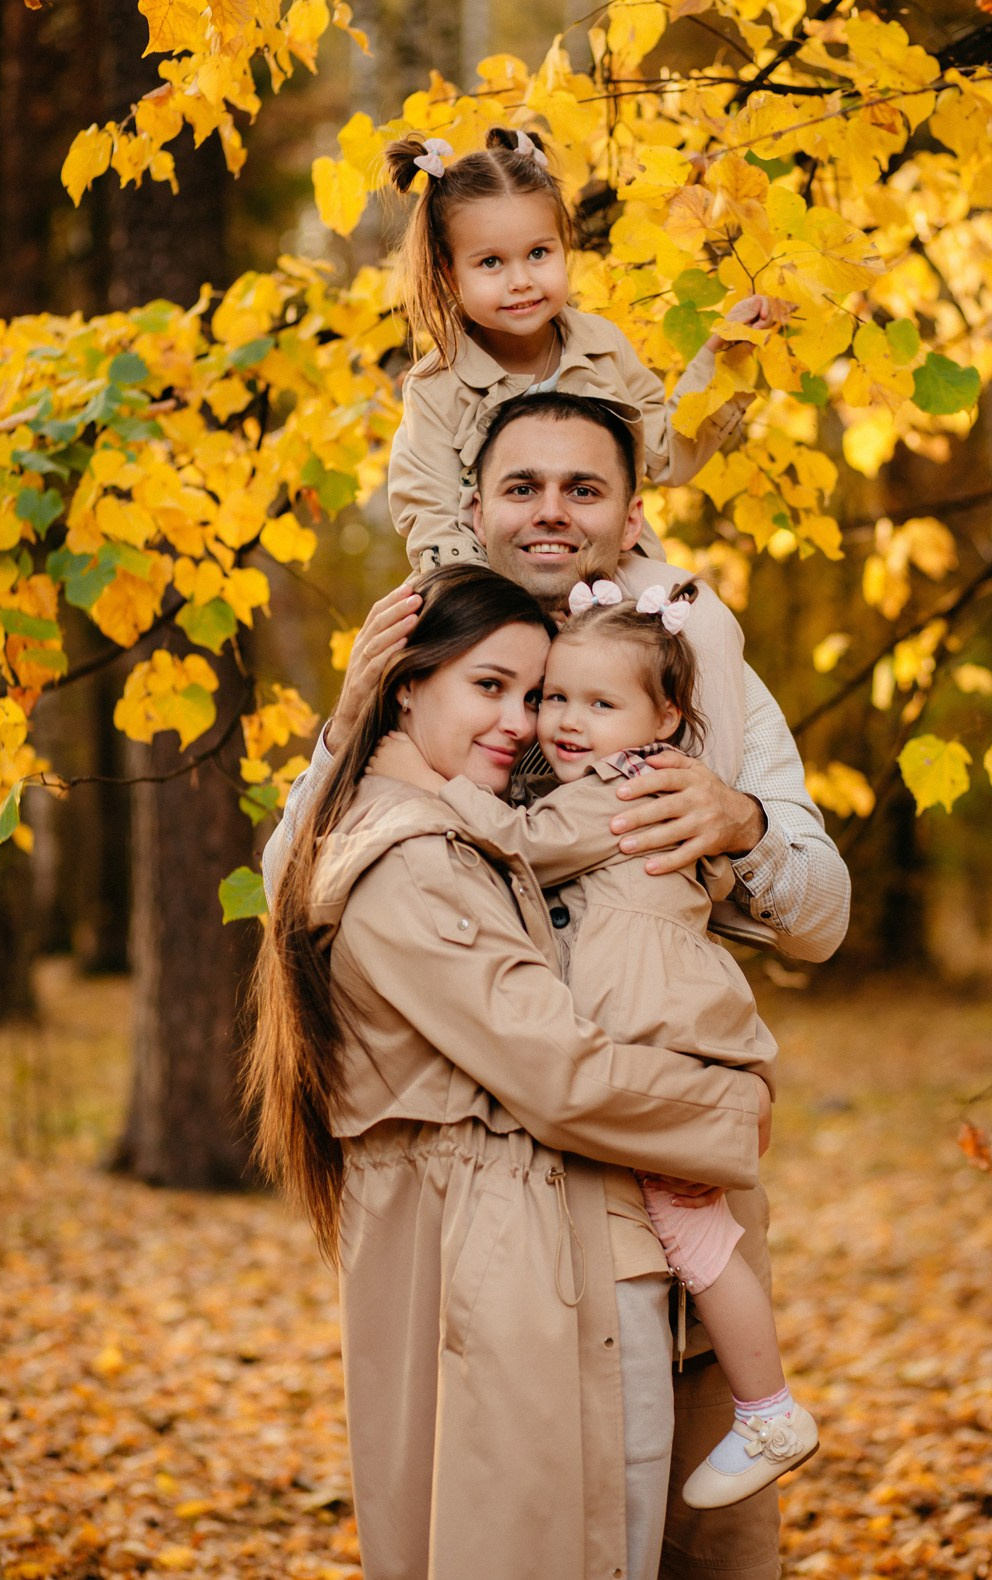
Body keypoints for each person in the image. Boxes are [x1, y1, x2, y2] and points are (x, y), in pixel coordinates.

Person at [262, 393, 851, 1580]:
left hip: (649, 1155)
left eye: (584, 488)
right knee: (516, 1510)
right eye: (521, 485)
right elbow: (305, 891)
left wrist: (737, 823)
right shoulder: (425, 659)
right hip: (501, 1187)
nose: (551, 512)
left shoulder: (680, 662)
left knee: (655, 1517)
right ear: (474, 506)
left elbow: (821, 915)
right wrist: (348, 719)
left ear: (632, 509)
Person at [369, 571, 819, 1515]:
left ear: (662, 722)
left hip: (667, 1034)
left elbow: (515, 844)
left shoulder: (622, 787)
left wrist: (418, 774)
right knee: (696, 1235)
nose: (561, 722)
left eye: (596, 703)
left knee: (696, 1240)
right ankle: (762, 1401)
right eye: (553, 699)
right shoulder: (628, 773)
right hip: (669, 1029)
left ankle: (768, 1408)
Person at [384, 126, 774, 574]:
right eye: (491, 262)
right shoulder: (436, 388)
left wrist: (725, 360)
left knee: (706, 622)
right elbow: (433, 520)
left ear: (564, 248)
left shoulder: (602, 347)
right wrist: (500, 611)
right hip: (495, 583)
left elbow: (665, 453)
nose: (521, 280)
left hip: (612, 576)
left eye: (538, 253)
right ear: (451, 275)